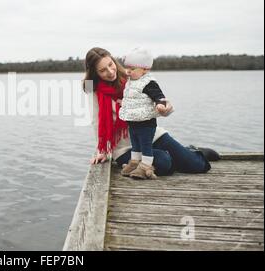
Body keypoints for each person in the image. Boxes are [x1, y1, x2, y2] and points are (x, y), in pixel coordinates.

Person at [83, 47, 213, 176]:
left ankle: (190, 152)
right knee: (163, 162)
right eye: (102, 70)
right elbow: (96, 120)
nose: (110, 72)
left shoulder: (132, 75)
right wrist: (101, 150)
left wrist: (165, 107)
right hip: (126, 149)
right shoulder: (91, 87)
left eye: (110, 65)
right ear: (95, 73)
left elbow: (157, 97)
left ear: (113, 60)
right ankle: (175, 157)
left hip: (151, 134)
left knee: (198, 166)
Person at [118, 47, 168, 180]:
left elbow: (159, 96)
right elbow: (131, 97)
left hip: (146, 123)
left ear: (145, 69)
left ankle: (145, 166)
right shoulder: (131, 82)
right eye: (127, 68)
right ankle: (134, 163)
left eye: (132, 69)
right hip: (133, 122)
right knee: (135, 144)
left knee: (145, 145)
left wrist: (160, 105)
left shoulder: (148, 82)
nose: (128, 71)